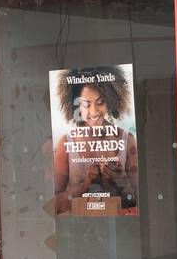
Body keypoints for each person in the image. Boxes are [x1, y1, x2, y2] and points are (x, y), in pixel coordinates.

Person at [52, 66, 139, 216]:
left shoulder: (127, 140)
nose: (94, 112)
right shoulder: (66, 143)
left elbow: (137, 203)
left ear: (111, 102)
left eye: (101, 102)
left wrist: (121, 179)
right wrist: (84, 186)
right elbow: (56, 206)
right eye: (86, 104)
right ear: (76, 106)